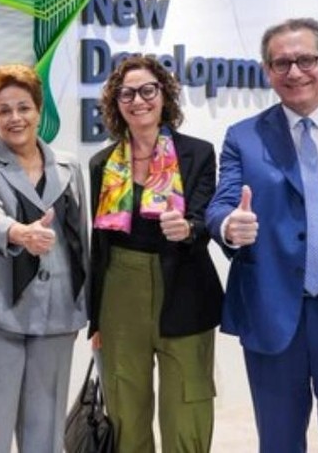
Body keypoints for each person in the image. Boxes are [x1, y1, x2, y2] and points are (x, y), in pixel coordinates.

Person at [205, 18, 318, 452]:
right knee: (279, 441)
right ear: (267, 71)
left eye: (305, 60)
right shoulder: (244, 137)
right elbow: (220, 205)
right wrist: (231, 226)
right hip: (272, 312)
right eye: (281, 63)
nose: (294, 72)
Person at [90, 55, 223, 452]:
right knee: (125, 405)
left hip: (183, 284)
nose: (138, 100)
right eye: (126, 93)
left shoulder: (197, 153)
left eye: (148, 90)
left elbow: (205, 218)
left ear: (164, 95)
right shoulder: (103, 163)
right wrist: (93, 316)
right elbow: (100, 243)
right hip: (119, 290)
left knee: (188, 403)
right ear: (116, 104)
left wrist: (188, 228)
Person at [0, 64, 88, 453]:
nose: (15, 118)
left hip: (58, 313)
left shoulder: (69, 165)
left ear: (39, 110)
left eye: (24, 107)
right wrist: (19, 233)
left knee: (45, 435)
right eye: (4, 110)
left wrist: (87, 303)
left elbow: (80, 240)